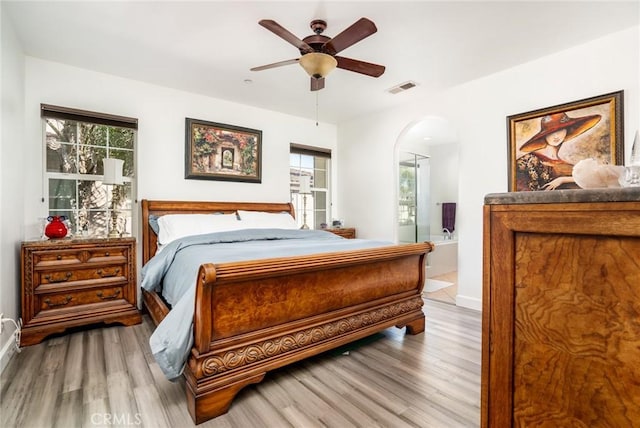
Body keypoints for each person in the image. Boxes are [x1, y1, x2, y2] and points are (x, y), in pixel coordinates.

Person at [516, 111, 601, 191]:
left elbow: (593, 182)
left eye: (560, 130)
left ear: (567, 130)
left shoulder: (567, 165)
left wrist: (563, 180)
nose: (556, 136)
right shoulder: (528, 161)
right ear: (544, 135)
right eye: (551, 132)